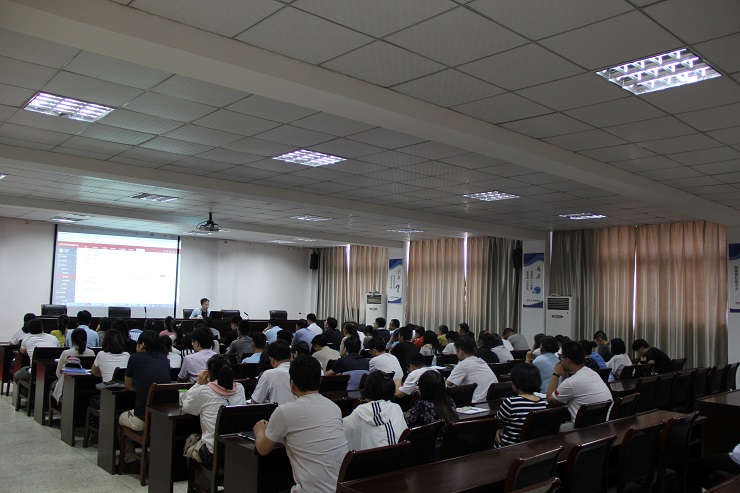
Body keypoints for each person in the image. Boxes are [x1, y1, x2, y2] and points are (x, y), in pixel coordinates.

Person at [253, 355, 348, 493]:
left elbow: (263, 449)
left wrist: (260, 431)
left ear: (292, 384)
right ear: (320, 381)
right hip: (340, 489)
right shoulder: (334, 407)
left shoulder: (284, 412)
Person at [180, 354, 247, 468]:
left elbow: (186, 407)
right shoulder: (240, 388)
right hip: (236, 451)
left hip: (212, 454)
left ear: (209, 373)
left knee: (190, 441)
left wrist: (198, 384)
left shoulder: (203, 391)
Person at [546, 341, 612, 422]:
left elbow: (550, 399)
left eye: (561, 358)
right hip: (603, 424)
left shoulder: (572, 382)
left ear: (568, 360)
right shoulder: (592, 373)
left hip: (584, 428)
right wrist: (565, 374)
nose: (561, 361)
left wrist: (556, 374)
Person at [119, 330, 171, 431]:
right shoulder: (165, 360)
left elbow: (128, 386)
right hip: (161, 418)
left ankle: (128, 443)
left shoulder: (135, 357)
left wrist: (142, 388)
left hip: (142, 419)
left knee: (120, 417)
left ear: (142, 344)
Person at [343, 370, 408, 450]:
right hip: (400, 455)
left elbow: (343, 434)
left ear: (367, 390)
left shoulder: (359, 413)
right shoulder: (396, 408)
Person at [495, 363, 547, 447]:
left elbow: (496, 422)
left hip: (508, 447)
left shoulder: (510, 403)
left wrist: (499, 428)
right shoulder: (542, 403)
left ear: (516, 383)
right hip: (531, 446)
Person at [404, 370, 458, 449]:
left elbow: (405, 421)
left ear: (424, 388)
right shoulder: (449, 401)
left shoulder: (421, 406)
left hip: (429, 449)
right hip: (450, 446)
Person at [446, 336, 497, 404]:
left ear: (460, 352)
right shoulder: (481, 361)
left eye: (456, 351)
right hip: (491, 402)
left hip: (477, 403)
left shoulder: (463, 364)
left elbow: (446, 384)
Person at [52, 328, 95, 403]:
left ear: (72, 340)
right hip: (86, 387)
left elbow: (58, 374)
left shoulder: (66, 353)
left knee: (53, 384)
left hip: (68, 387)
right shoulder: (91, 353)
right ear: (86, 339)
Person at [13, 319, 60, 384]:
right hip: (53, 371)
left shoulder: (27, 340)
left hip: (35, 371)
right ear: (42, 328)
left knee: (17, 375)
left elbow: (22, 352)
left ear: (29, 330)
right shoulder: (53, 338)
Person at [251, 340, 296, 405]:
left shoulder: (268, 374)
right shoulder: (302, 371)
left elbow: (255, 402)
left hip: (279, 411)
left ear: (272, 360)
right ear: (291, 356)